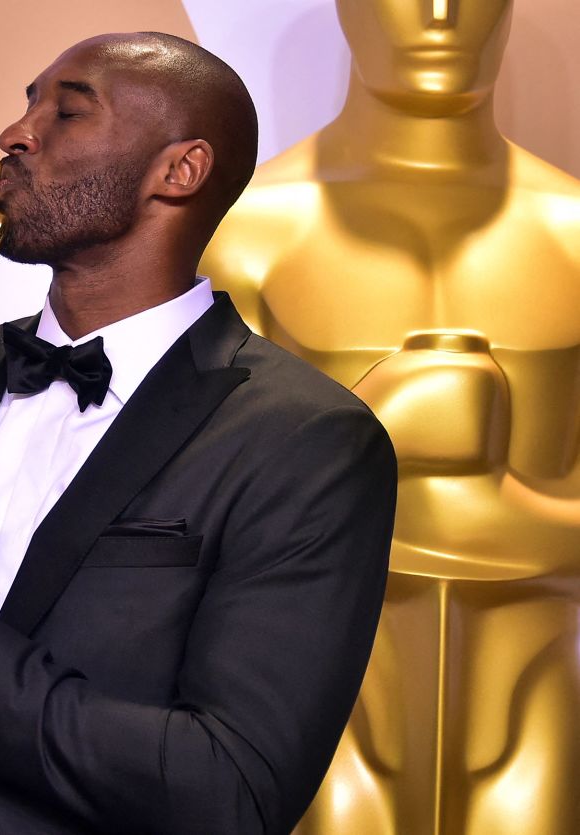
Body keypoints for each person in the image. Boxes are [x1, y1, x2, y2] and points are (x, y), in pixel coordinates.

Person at [0, 32, 397, 835]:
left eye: (67, 110)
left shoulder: (307, 441)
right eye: (27, 103)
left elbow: (229, 792)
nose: (17, 134)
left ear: (180, 170)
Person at [199, 0, 580, 830]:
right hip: (318, 710)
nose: (441, 14)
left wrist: (474, 508)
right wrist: (379, 428)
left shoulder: (574, 237)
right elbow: (200, 512)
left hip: (533, 706)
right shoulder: (248, 236)